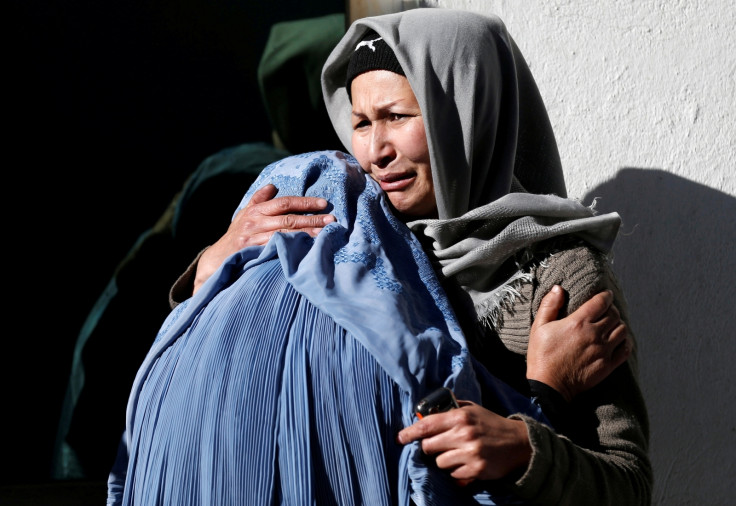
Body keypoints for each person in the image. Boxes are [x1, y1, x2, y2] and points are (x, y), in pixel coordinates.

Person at [113, 8, 651, 505]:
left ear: (463, 112)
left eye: (396, 116)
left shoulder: (555, 270)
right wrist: (218, 260)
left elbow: (628, 482)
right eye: (363, 122)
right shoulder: (353, 229)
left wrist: (525, 443)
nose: (375, 151)